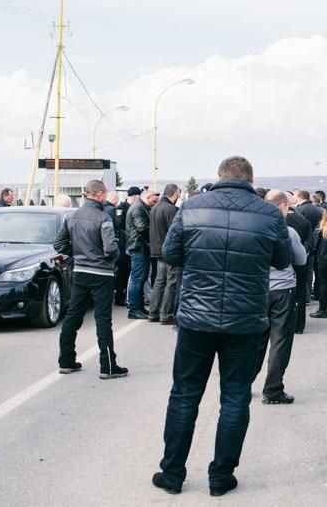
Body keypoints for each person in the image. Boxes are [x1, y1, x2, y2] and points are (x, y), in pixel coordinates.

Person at [153, 156, 292, 497]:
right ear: (249, 179)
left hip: (196, 318)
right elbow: (283, 260)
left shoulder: (192, 207)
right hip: (244, 320)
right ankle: (220, 476)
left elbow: (171, 254)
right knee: (235, 398)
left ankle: (172, 473)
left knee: (184, 395)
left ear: (219, 176)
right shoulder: (270, 213)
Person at [54, 180, 125, 379]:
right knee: (103, 319)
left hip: (80, 272)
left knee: (73, 315)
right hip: (102, 273)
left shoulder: (72, 216)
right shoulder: (103, 218)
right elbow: (110, 248)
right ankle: (108, 366)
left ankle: (66, 360)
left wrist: (76, 254)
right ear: (100, 194)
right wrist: (115, 257)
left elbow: (59, 244)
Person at [255, 190, 308, 404]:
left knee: (255, 341)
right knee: (280, 341)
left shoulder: (254, 229)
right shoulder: (288, 232)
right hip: (283, 290)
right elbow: (301, 259)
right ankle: (273, 389)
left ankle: (243, 383)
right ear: (283, 206)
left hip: (258, 290)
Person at [149, 184, 181, 324]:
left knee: (159, 282)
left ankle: (153, 312)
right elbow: (174, 233)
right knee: (171, 282)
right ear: (174, 194)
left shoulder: (154, 208)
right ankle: (166, 314)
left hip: (156, 250)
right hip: (168, 251)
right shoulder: (171, 209)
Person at [285, 192, 315, 334]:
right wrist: (304, 251)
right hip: (300, 262)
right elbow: (311, 241)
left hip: (282, 263)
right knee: (300, 294)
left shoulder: (277, 220)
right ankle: (299, 325)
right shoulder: (303, 221)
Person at [126, 189, 158, 319]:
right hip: (138, 247)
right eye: (154, 200)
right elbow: (142, 228)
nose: (155, 203)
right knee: (137, 279)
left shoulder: (141, 207)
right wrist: (156, 234)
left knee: (140, 278)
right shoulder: (139, 208)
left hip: (140, 246)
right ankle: (134, 309)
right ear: (148, 197)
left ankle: (138, 307)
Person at [114, 187, 141, 306]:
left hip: (129, 243)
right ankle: (120, 296)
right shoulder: (121, 208)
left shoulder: (131, 208)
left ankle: (125, 295)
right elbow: (120, 225)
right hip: (123, 243)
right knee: (123, 270)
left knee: (128, 271)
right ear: (135, 196)